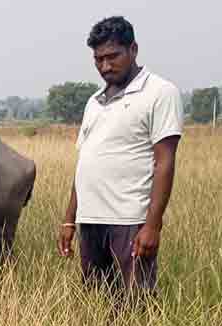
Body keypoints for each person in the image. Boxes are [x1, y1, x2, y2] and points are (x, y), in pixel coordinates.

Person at [58, 16, 183, 300]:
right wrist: (69, 221)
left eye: (113, 56)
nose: (105, 66)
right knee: (96, 301)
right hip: (91, 219)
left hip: (129, 219)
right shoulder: (94, 101)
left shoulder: (160, 93)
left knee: (136, 301)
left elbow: (165, 162)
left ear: (133, 49)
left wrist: (152, 225)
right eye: (98, 59)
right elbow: (85, 164)